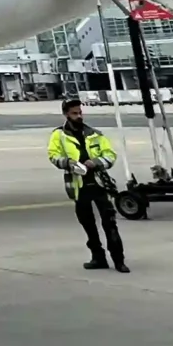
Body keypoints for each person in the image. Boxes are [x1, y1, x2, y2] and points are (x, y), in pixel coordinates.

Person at [48, 99, 128, 272]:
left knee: (110, 223)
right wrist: (68, 163)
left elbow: (110, 155)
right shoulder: (58, 135)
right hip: (79, 186)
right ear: (66, 115)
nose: (79, 116)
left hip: (99, 184)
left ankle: (119, 260)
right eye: (74, 113)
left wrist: (96, 162)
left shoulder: (94, 134)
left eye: (80, 112)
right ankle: (98, 257)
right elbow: (53, 155)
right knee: (88, 225)